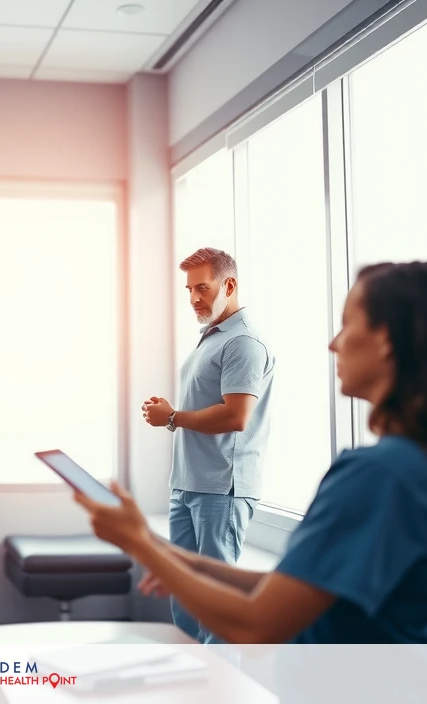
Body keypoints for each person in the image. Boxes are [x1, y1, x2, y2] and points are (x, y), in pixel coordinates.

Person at [79, 261, 427, 643]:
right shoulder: (422, 467)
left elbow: (258, 624)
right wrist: (163, 553)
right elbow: (288, 589)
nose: (333, 343)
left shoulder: (378, 475)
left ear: (385, 340)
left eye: (348, 324)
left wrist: (139, 543)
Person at [142, 248, 275, 642]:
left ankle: (219, 680)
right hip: (187, 484)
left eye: (202, 287)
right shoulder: (212, 338)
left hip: (220, 489)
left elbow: (235, 416)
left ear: (229, 285)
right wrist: (170, 413)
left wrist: (172, 417)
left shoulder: (244, 342)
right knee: (184, 600)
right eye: (189, 290)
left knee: (216, 609)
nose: (193, 298)